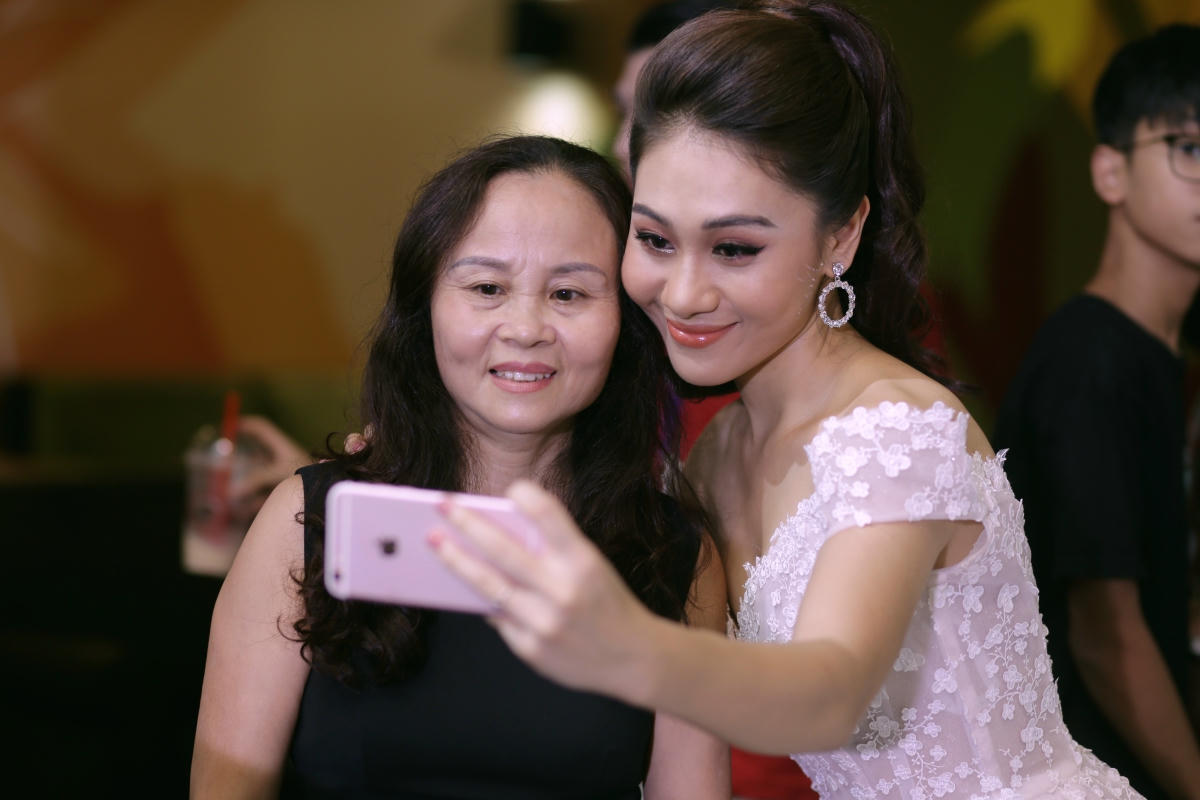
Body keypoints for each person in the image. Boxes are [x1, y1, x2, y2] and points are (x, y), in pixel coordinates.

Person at [430, 2, 1143, 798]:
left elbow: (830, 693)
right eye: (656, 239)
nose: (684, 293)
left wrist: (631, 647)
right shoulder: (715, 452)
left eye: (735, 248)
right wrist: (416, 453)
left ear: (841, 237)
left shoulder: (899, 431)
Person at [190, 135, 730, 799]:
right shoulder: (311, 521)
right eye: (487, 288)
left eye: (569, 293)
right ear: (426, 309)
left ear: (626, 321)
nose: (526, 328)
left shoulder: (674, 558)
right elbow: (228, 783)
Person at [992, 24, 1200, 800]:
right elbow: (1105, 635)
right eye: (1189, 148)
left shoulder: (1153, 355)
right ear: (1110, 171)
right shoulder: (1091, 361)